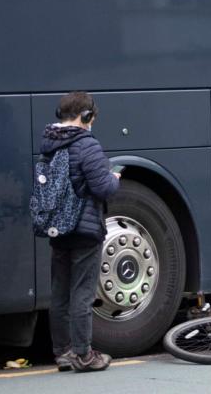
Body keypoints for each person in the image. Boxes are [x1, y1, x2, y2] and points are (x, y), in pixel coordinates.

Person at [42, 91, 120, 372]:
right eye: (92, 118)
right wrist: (114, 178)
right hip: (85, 229)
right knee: (82, 294)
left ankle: (63, 353)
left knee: (60, 292)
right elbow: (103, 188)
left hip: (58, 228)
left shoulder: (49, 144)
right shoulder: (87, 145)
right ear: (86, 116)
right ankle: (84, 355)